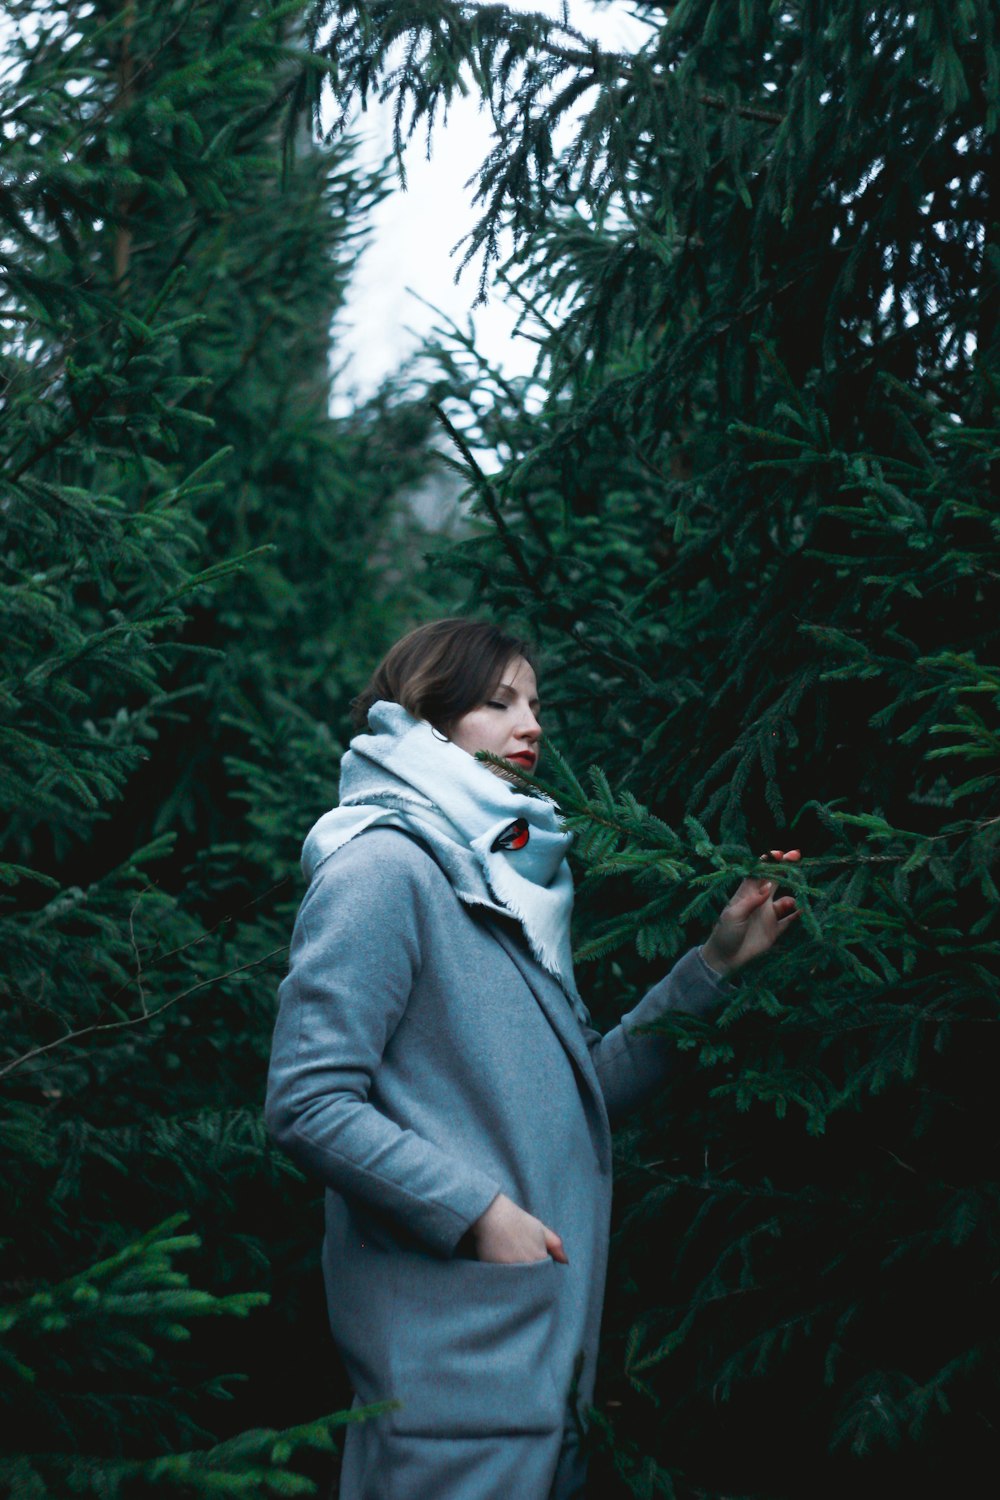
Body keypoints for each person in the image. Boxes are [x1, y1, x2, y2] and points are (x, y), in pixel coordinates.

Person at [264, 618, 799, 1500]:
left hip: (538, 1377)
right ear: (427, 725)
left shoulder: (507, 884)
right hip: (453, 1381)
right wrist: (476, 1212)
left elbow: (577, 1092)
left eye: (537, 704)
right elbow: (308, 1101)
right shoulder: (385, 868)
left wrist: (714, 968)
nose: (533, 725)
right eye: (498, 701)